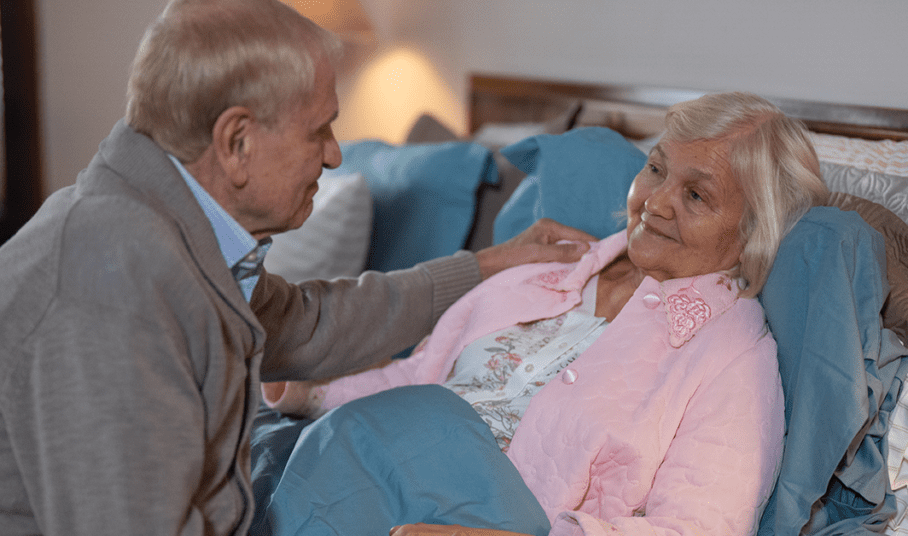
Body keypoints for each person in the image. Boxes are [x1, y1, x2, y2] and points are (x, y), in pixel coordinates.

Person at [0, 1, 592, 535]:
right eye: (319, 129)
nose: (336, 155)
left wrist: (486, 266)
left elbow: (313, 325)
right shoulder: (107, 278)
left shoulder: (178, 238)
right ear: (237, 140)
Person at [261, 92, 831, 536]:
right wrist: (309, 394)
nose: (656, 203)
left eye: (697, 196)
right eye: (656, 169)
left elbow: (698, 528)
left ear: (753, 231)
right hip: (372, 462)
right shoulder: (545, 268)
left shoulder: (732, 352)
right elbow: (417, 376)